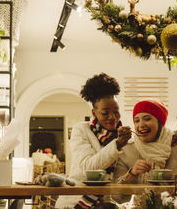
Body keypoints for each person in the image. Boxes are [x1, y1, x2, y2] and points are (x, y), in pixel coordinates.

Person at [55, 73, 132, 209]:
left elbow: (121, 193)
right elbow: (88, 168)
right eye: (105, 112)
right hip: (74, 203)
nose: (112, 117)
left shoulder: (125, 138)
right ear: (94, 113)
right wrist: (117, 145)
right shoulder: (81, 130)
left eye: (116, 111)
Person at [114, 99, 177, 185]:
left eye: (147, 119)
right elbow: (118, 197)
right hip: (141, 204)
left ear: (160, 122)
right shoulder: (127, 150)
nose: (141, 124)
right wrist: (131, 174)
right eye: (137, 120)